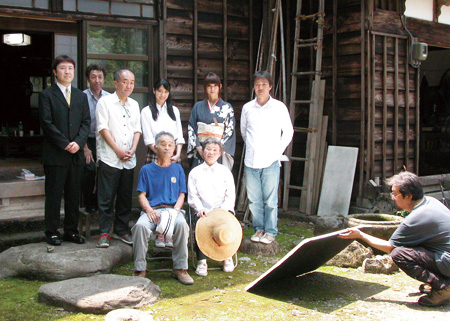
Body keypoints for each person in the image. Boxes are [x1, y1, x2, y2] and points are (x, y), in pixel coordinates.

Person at [339, 171, 450, 307]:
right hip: (445, 255)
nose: (392, 197)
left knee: (400, 254)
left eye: (395, 194)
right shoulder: (431, 201)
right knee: (416, 248)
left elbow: (390, 247)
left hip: (447, 260)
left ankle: (443, 287)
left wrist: (360, 235)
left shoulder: (416, 218)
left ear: (408, 196)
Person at [39, 55, 90, 246]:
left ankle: (71, 230)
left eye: (70, 68)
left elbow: (86, 122)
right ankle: (52, 231)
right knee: (53, 194)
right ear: (55, 72)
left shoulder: (80, 96)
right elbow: (46, 123)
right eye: (62, 68)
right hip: (55, 153)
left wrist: (78, 142)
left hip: (76, 154)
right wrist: (65, 143)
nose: (67, 72)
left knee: (73, 194)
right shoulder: (46, 95)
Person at [131, 131, 193, 285]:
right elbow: (141, 195)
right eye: (163, 144)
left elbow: (182, 194)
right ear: (156, 147)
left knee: (182, 225)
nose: (167, 148)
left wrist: (176, 211)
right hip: (153, 210)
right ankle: (140, 269)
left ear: (174, 149)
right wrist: (149, 211)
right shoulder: (146, 169)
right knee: (140, 226)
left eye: (170, 145)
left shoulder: (178, 169)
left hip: (173, 209)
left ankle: (180, 269)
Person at [241, 70, 294, 245]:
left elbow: (288, 132)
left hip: (270, 160)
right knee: (254, 199)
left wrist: (277, 151)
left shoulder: (278, 107)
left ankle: (271, 231)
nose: (260, 87)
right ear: (254, 87)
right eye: (257, 84)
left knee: (270, 200)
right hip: (251, 160)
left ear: (270, 87)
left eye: (264, 84)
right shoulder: (248, 108)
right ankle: (259, 229)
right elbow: (244, 132)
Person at [95, 68, 141, 248]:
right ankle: (104, 232)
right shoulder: (104, 102)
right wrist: (118, 150)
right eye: (124, 81)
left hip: (129, 158)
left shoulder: (134, 105)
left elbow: (137, 130)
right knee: (106, 197)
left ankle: (122, 230)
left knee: (124, 197)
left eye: (131, 82)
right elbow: (102, 128)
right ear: (115, 83)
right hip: (109, 157)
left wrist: (133, 149)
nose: (128, 85)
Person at [141, 79, 185, 248]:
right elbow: (148, 138)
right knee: (156, 192)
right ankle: (160, 233)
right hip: (155, 154)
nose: (162, 95)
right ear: (154, 91)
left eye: (166, 92)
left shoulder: (174, 110)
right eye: (159, 91)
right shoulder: (146, 111)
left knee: (172, 193)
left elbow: (179, 135)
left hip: (173, 155)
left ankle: (170, 231)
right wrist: (162, 152)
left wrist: (177, 153)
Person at [188, 138, 236, 276]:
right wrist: (200, 208)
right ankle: (202, 261)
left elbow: (230, 195)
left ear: (220, 153)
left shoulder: (225, 171)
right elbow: (193, 196)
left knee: (227, 223)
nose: (211, 153)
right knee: (201, 224)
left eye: (215, 150)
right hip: (203, 210)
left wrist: (223, 210)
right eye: (208, 149)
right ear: (202, 152)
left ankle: (227, 256)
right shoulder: (195, 172)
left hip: (222, 209)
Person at [187, 72, 236, 170]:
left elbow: (230, 131)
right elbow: (191, 128)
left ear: (220, 87)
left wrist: (216, 151)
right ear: (205, 87)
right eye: (209, 86)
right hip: (201, 151)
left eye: (215, 86)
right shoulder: (197, 107)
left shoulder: (227, 108)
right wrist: (199, 148)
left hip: (218, 153)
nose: (212, 89)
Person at [82, 64, 110, 213]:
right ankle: (88, 202)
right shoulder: (82, 96)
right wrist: (85, 148)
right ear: (88, 79)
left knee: (104, 171)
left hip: (104, 140)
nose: (97, 80)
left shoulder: (109, 98)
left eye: (100, 77)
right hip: (87, 140)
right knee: (89, 169)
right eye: (93, 77)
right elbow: (80, 124)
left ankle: (101, 202)